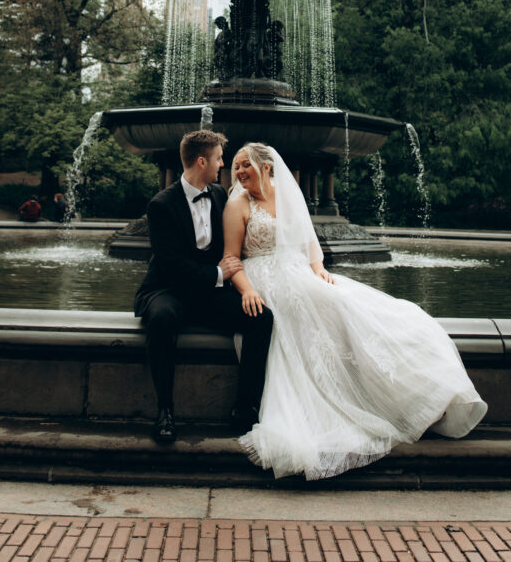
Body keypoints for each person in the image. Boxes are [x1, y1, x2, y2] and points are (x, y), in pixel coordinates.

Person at [222, 142, 488, 481]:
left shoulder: (288, 194)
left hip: (299, 271)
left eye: (246, 165)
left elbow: (308, 241)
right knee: (301, 316)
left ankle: (406, 395)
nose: (240, 172)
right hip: (263, 278)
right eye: (236, 166)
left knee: (342, 304)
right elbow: (230, 259)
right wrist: (247, 290)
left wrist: (318, 267)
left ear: (267, 167)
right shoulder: (237, 204)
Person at [134, 130, 274, 444]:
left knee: (261, 318)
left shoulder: (220, 195)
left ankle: (244, 407)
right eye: (219, 159)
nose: (222, 165)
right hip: (167, 289)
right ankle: (165, 411)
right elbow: (170, 265)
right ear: (202, 161)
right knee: (161, 319)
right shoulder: (161, 205)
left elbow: (235, 243)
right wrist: (217, 274)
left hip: (207, 292)